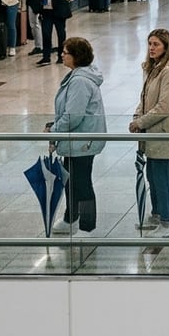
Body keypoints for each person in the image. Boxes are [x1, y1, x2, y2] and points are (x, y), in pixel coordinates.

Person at [47, 37, 107, 237]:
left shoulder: (80, 81)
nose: (62, 55)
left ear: (76, 56)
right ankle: (70, 218)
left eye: (66, 52)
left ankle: (86, 226)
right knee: (70, 181)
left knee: (82, 183)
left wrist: (55, 130)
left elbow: (74, 115)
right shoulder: (77, 76)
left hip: (82, 142)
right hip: (76, 140)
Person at [129, 29, 169, 238]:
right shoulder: (154, 69)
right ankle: (157, 213)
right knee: (152, 174)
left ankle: (167, 221)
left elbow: (164, 106)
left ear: (166, 46)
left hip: (164, 130)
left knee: (161, 177)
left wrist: (140, 122)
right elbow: (145, 98)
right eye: (150, 44)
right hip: (151, 130)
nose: (152, 48)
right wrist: (137, 116)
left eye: (156, 44)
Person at [37, 0, 72, 66]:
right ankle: (46, 57)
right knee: (46, 33)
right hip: (46, 10)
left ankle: (61, 55)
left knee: (61, 34)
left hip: (59, 10)